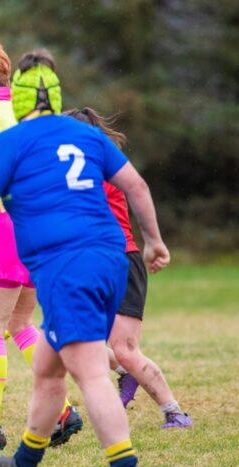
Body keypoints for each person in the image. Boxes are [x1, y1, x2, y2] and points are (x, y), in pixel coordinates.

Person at [0, 50, 170, 467]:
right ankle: (24, 465)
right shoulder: (86, 134)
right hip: (111, 258)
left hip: (69, 267)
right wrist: (155, 241)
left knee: (91, 373)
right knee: (45, 366)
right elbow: (136, 185)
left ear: (19, 100)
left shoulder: (13, 141)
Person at [0, 41, 80, 453]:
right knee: (20, 324)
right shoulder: (32, 113)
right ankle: (62, 412)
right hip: (43, 226)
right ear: (8, 79)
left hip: (6, 222)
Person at [65, 107, 192, 429]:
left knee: (125, 348)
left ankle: (175, 412)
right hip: (96, 262)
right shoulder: (98, 165)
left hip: (120, 261)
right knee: (73, 341)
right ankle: (125, 373)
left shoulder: (88, 172)